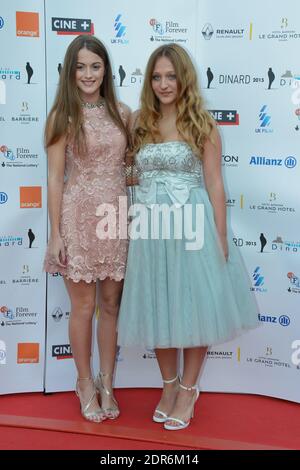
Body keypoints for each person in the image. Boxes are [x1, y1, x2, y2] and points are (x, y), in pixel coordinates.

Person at [117, 43, 259, 430]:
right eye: (157, 76)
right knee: (157, 303)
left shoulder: (202, 123)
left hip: (192, 224)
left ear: (185, 78)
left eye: (171, 76)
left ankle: (189, 389)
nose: (164, 84)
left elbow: (214, 183)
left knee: (196, 306)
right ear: (150, 81)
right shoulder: (139, 122)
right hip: (151, 226)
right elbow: (130, 176)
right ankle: (168, 386)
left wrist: (219, 235)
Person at [43, 35, 130, 423]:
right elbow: (55, 178)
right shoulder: (62, 116)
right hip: (77, 219)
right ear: (70, 71)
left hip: (116, 219)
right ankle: (83, 383)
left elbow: (129, 169)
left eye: (95, 66)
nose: (88, 74)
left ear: (106, 69)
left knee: (111, 306)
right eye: (80, 66)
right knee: (84, 306)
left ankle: (107, 382)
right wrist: (55, 234)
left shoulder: (122, 113)